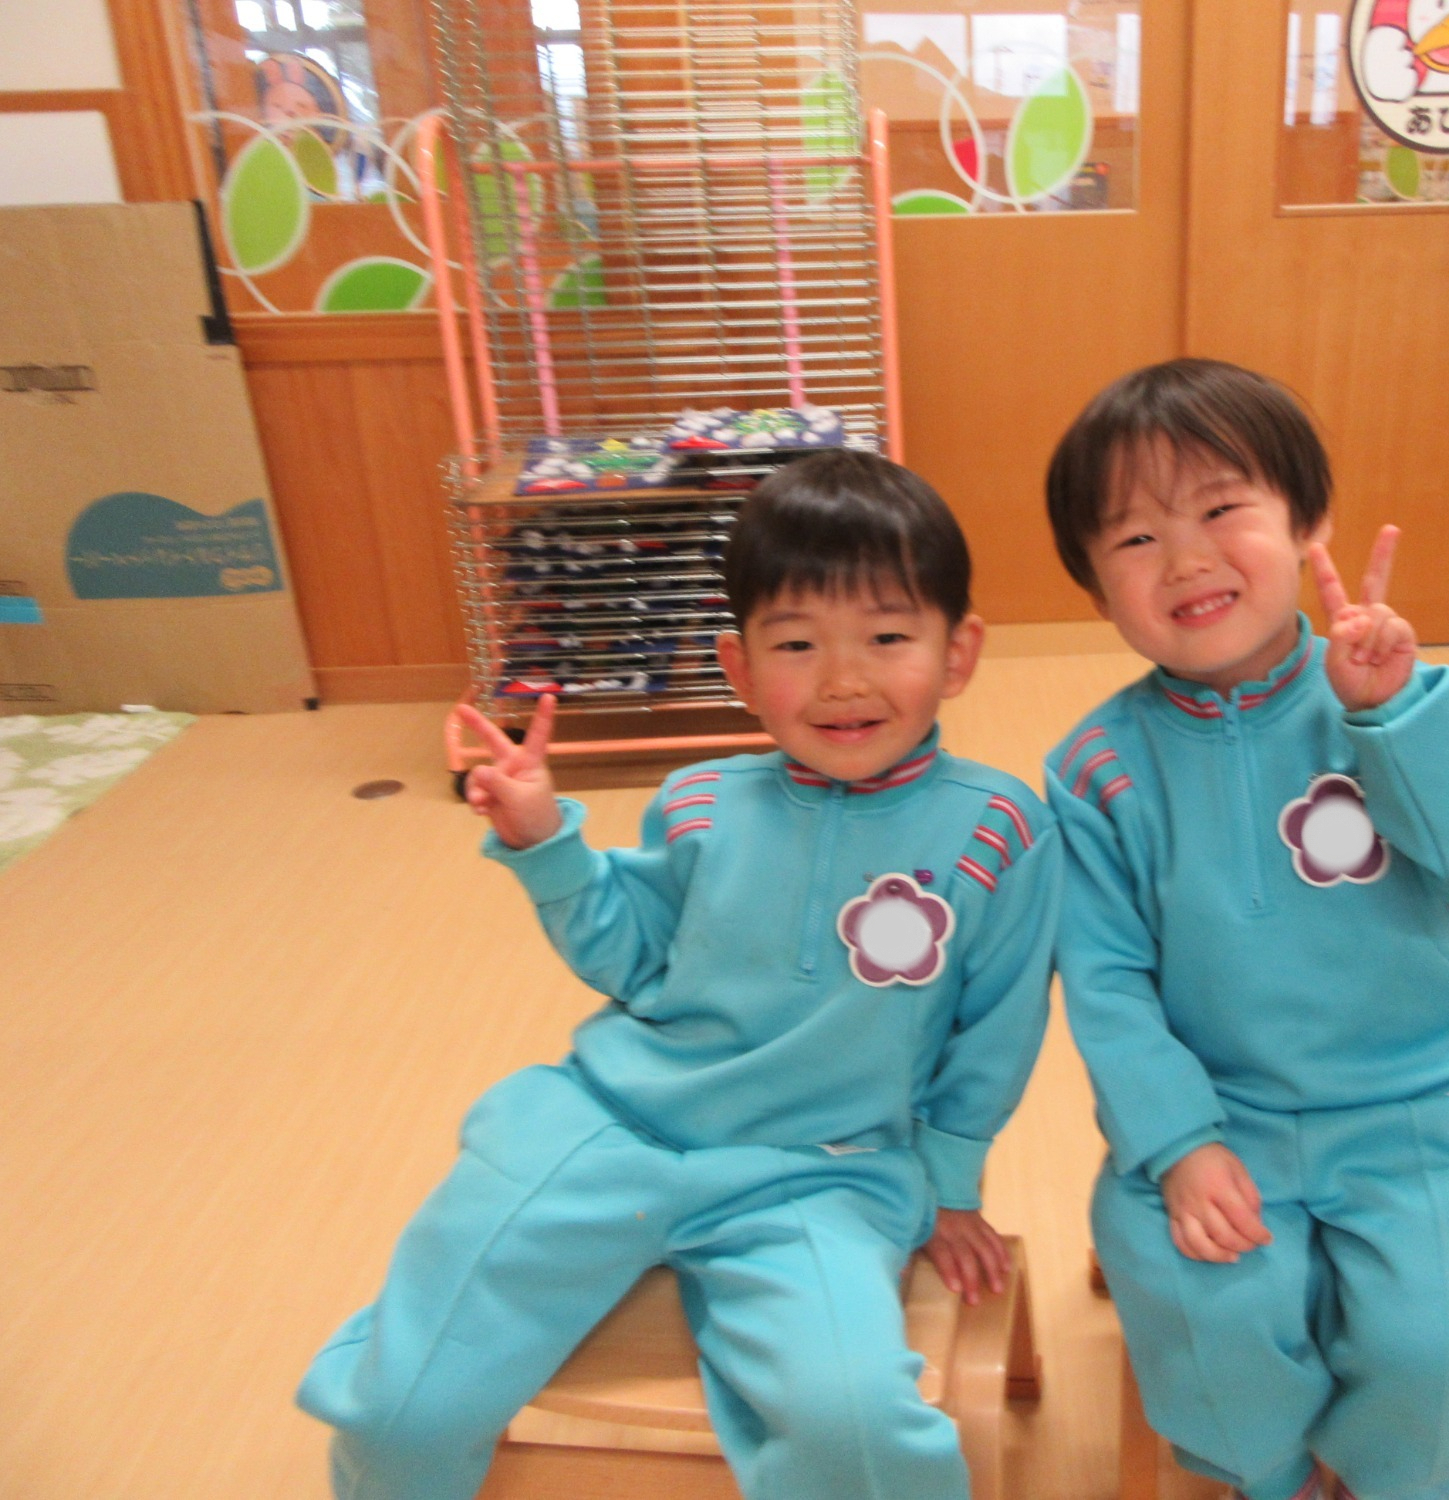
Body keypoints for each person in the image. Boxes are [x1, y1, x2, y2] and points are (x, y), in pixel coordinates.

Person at [296, 450, 1060, 1500]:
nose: (843, 680)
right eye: (797, 644)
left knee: (858, 1434)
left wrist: (950, 1185)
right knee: (400, 1408)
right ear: (738, 667)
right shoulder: (699, 799)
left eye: (887, 638)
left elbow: (997, 1026)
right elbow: (631, 960)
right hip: (607, 1127)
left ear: (957, 651)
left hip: (821, 1174)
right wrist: (544, 843)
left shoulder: (999, 828)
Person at [1043, 359, 1449, 1500]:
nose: (1184, 559)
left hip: (1415, 1105)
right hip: (1216, 1117)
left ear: (1307, 522)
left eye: (1221, 509)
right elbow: (1106, 981)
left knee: (1439, 1361)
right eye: (1135, 539)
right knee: (1203, 1321)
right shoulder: (1092, 768)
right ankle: (1267, 1474)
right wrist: (1176, 1143)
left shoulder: (1398, 694)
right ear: (1094, 588)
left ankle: (1383, 1475)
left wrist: (1393, 718)